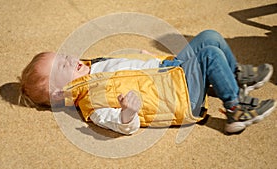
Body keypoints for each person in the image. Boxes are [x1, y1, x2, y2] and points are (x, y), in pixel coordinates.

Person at [19, 30, 276, 135]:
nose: (69, 59)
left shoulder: (94, 66)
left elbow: (128, 68)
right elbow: (122, 126)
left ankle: (235, 75)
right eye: (62, 66)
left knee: (210, 37)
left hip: (167, 71)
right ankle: (235, 110)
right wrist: (128, 114)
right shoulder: (91, 104)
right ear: (57, 92)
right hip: (178, 97)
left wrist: (150, 60)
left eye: (64, 55)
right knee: (209, 56)